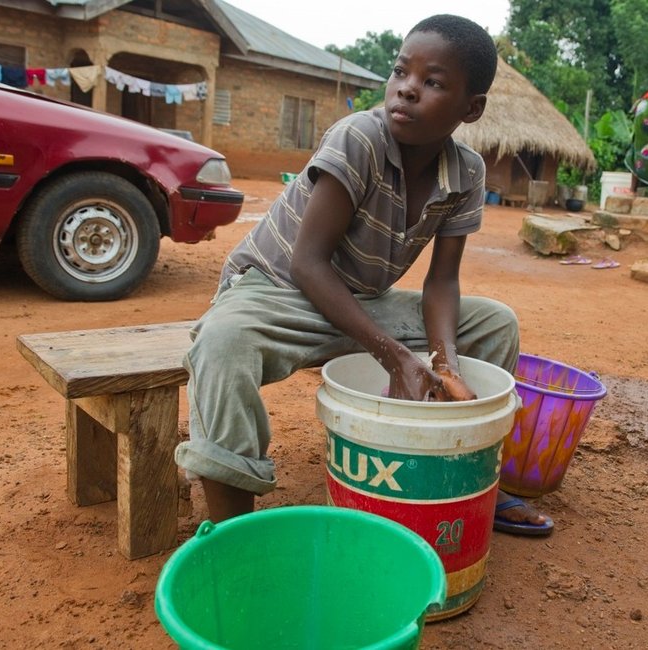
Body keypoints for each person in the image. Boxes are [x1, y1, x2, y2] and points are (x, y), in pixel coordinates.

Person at [174, 14, 553, 536]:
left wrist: (447, 365)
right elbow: (307, 263)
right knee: (220, 342)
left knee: (495, 324)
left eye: (433, 81)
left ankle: (457, 469)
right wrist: (393, 354)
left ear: (472, 108)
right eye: (401, 72)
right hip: (276, 290)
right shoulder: (360, 138)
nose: (407, 90)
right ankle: (237, 530)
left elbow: (442, 282)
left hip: (360, 301)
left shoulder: (466, 173)